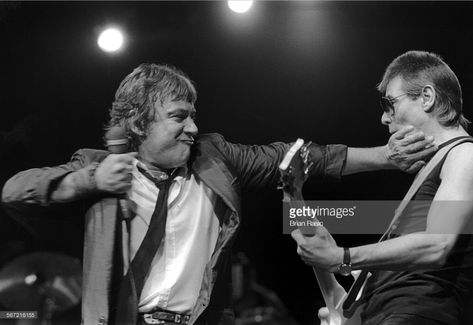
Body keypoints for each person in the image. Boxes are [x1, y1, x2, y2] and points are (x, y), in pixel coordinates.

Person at [1, 63, 435, 325]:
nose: (191, 127)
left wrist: (385, 155)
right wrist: (87, 183)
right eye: (178, 117)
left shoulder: (215, 158)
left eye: (193, 116)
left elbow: (301, 157)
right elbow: (14, 192)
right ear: (137, 123)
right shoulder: (98, 169)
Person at [292, 50, 473, 325]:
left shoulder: (465, 156)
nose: (384, 119)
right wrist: (294, 198)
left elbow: (437, 244)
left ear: (427, 97)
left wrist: (344, 257)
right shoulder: (433, 167)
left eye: (390, 104)